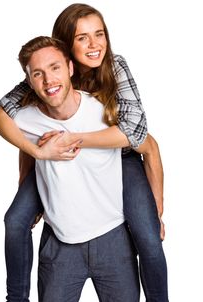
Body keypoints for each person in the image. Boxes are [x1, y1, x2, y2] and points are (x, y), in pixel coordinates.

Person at [0, 3, 168, 302]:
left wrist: (157, 206)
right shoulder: (47, 70)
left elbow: (137, 136)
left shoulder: (115, 66)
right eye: (82, 37)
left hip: (119, 154)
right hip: (57, 153)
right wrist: (32, 163)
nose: (94, 44)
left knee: (149, 237)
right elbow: (12, 120)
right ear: (66, 47)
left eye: (99, 34)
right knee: (16, 220)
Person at [15, 35, 140, 301]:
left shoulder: (105, 113)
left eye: (55, 68)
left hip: (113, 240)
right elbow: (22, 145)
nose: (49, 81)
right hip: (59, 246)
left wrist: (156, 211)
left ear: (70, 68)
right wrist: (27, 180)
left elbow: (149, 147)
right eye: (38, 74)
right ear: (29, 81)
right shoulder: (24, 119)